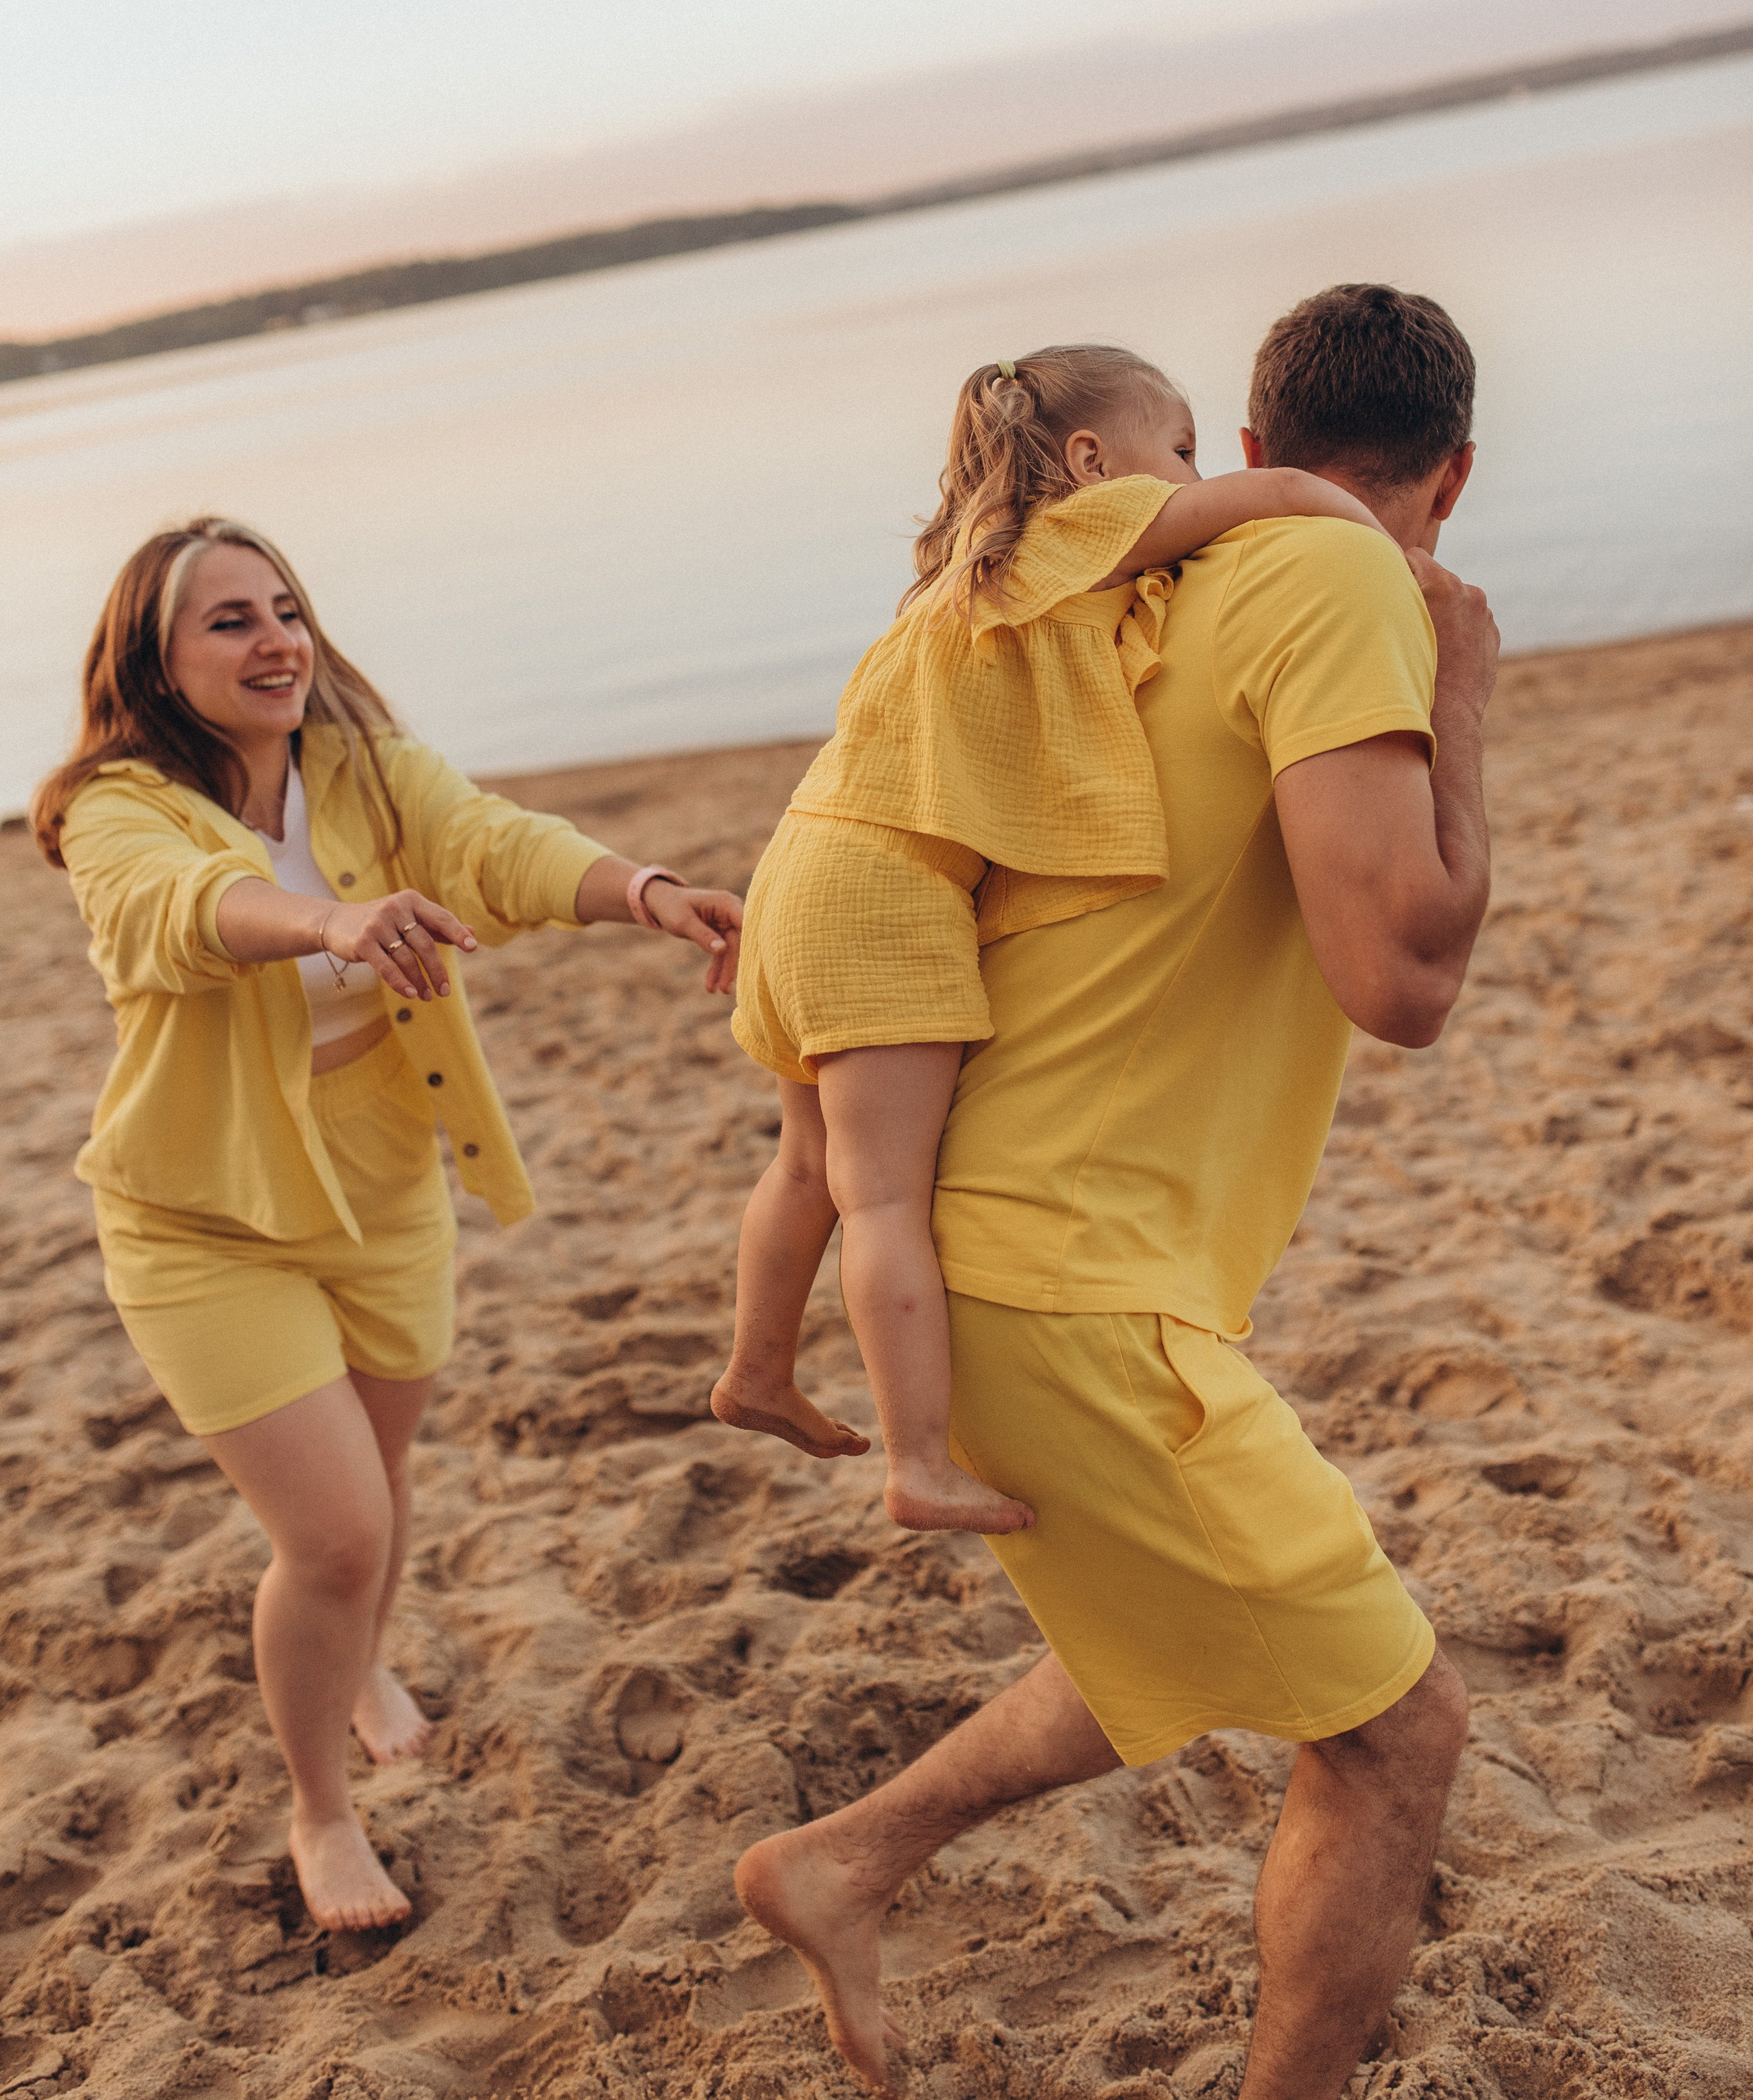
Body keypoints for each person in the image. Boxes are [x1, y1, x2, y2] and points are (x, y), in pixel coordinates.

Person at [734, 283, 1500, 2100]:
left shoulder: (1109, 588)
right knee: (1398, 1731)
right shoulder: (1337, 583)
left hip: (1038, 1259)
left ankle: (841, 1856)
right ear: (1453, 474)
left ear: (1242, 447)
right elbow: (1403, 983)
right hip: (1064, 1282)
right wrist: (1463, 689)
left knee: (1192, 1612)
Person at [31, 517, 742, 1937]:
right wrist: (330, 922)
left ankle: (357, 1667)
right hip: (203, 1217)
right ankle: (320, 1808)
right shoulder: (120, 806)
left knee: (379, 1478)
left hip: (381, 1180)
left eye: (283, 607)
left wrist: (646, 896)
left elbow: (494, 843)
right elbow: (176, 910)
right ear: (156, 664)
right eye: (228, 620)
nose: (274, 639)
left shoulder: (358, 764)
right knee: (340, 1530)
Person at [713, 344, 1383, 1534]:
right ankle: (917, 1458)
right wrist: (1367, 545)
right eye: (1174, 447)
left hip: (801, 866)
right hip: (884, 892)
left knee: (807, 1161)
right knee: (881, 1200)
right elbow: (1273, 494)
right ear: (1086, 461)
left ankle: (757, 1369)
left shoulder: (967, 576)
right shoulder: (1072, 536)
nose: (1184, 476)